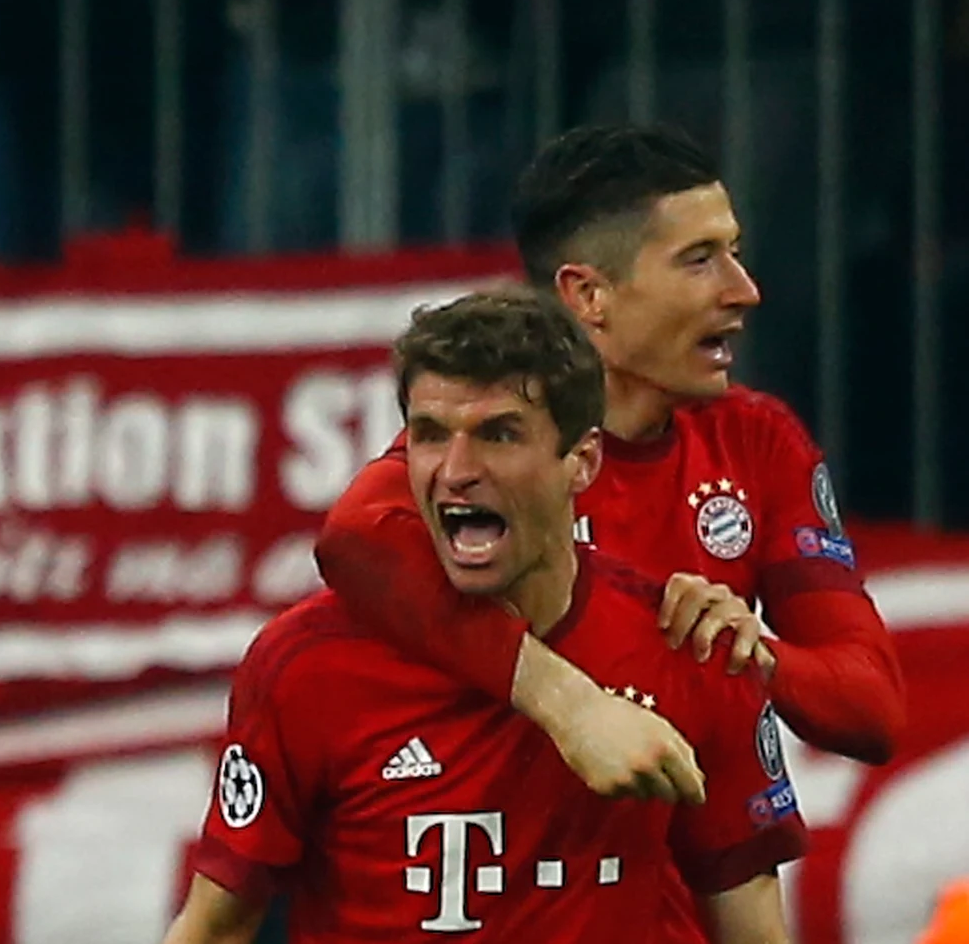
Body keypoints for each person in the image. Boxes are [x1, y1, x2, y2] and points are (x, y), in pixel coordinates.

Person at [163, 290, 806, 944]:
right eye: (431, 434)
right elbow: (213, 930)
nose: (457, 470)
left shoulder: (685, 643)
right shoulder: (306, 665)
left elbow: (753, 933)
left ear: (582, 460)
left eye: (500, 434)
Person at [317, 123, 905, 793]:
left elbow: (873, 706)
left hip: (690, 868)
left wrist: (755, 651)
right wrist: (567, 700)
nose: (744, 289)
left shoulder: (756, 439)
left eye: (734, 252)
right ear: (589, 295)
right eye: (700, 259)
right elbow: (353, 538)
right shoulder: (496, 435)